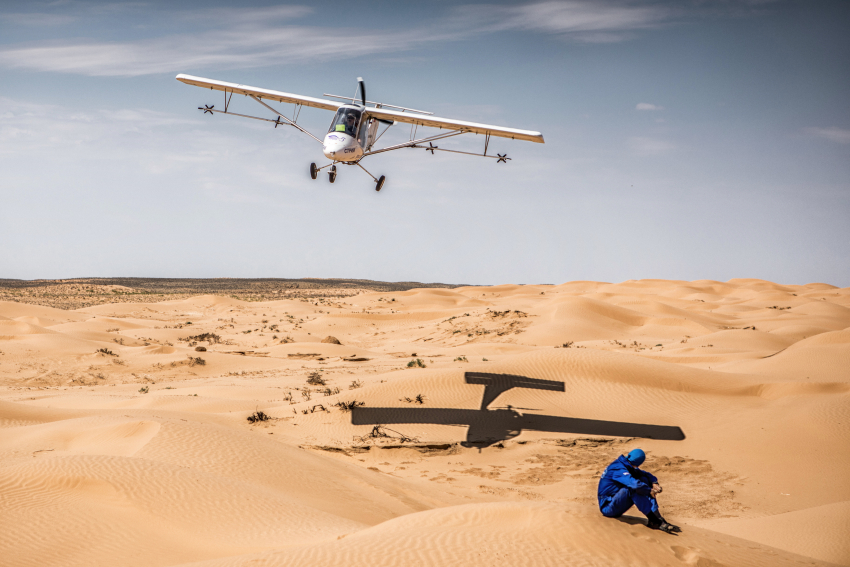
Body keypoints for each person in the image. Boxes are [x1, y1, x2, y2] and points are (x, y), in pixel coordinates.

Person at [597, 448, 680, 534]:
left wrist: (654, 482)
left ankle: (658, 518)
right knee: (633, 488)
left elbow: (645, 474)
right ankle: (653, 520)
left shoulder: (626, 464)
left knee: (643, 480)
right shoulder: (618, 468)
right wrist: (649, 491)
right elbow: (635, 485)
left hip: (616, 503)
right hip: (608, 508)